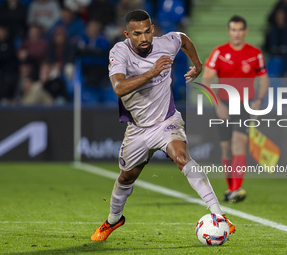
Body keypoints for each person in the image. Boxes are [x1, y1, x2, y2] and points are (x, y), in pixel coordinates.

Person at [91, 9, 235, 241]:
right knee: (127, 177)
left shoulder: (165, 43)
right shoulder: (120, 52)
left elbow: (183, 38)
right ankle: (113, 220)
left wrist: (197, 65)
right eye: (137, 34)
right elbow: (118, 88)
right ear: (127, 34)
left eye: (148, 31)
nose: (144, 38)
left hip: (167, 121)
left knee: (181, 157)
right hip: (138, 128)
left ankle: (219, 214)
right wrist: (152, 72)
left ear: (153, 29)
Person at [202, 15, 270, 203]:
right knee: (226, 150)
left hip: (243, 104)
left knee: (238, 144)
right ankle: (230, 188)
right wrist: (217, 104)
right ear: (229, 31)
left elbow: (264, 79)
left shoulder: (255, 53)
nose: (237, 33)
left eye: (240, 30)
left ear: (245, 31)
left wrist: (259, 101)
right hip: (223, 103)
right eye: (234, 29)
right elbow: (206, 80)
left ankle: (236, 189)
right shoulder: (219, 52)